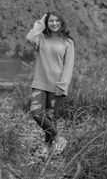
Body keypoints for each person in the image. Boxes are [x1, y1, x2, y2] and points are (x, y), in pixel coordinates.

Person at [25, 11, 75, 156]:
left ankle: (47, 148)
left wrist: (63, 86)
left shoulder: (68, 42)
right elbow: (29, 37)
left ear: (61, 22)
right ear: (47, 23)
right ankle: (59, 138)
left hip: (56, 86)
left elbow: (68, 66)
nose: (54, 23)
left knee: (50, 117)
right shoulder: (41, 38)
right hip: (40, 83)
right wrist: (42, 20)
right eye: (51, 21)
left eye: (57, 21)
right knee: (36, 113)